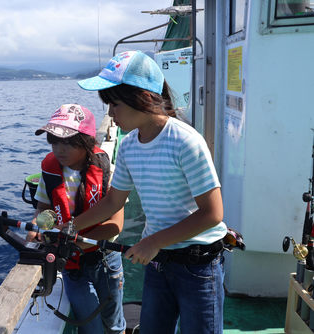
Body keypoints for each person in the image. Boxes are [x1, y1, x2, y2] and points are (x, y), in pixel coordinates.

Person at [72, 51, 228, 334]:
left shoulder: (185, 141)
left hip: (199, 265)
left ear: (142, 99)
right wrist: (70, 227)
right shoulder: (130, 145)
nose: (110, 114)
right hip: (158, 264)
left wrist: (153, 241)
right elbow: (113, 201)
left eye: (114, 105)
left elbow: (213, 214)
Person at [26, 104, 127, 334]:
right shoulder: (50, 171)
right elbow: (44, 208)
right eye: (54, 141)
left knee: (113, 321)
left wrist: (76, 243)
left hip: (105, 259)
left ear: (86, 141)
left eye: (67, 142)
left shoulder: (106, 170)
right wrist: (38, 229)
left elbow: (116, 224)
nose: (58, 149)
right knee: (88, 322)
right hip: (71, 266)